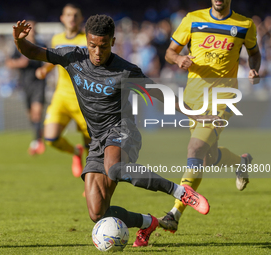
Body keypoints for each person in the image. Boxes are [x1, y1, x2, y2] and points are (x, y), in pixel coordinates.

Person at [12, 15, 219, 247]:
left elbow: (160, 92)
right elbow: (34, 52)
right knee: (97, 213)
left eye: (103, 45)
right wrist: (19, 41)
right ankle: (148, 222)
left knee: (115, 169)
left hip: (123, 130)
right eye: (92, 46)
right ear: (87, 41)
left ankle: (181, 192)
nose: (97, 52)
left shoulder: (126, 70)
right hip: (97, 139)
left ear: (113, 41)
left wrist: (195, 114)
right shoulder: (72, 57)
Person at [159, 0, 261, 233]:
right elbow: (169, 53)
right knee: (206, 157)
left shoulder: (245, 24)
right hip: (193, 98)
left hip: (223, 98)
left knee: (195, 149)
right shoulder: (192, 19)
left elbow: (254, 53)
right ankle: (240, 162)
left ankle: (174, 213)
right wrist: (179, 59)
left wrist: (254, 69)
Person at [35, 4, 90, 178]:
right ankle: (75, 151)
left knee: (92, 147)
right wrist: (45, 69)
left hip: (84, 99)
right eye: (68, 15)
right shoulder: (57, 39)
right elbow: (55, 58)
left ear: (81, 19)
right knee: (50, 138)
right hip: (62, 96)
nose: (72, 18)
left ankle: (91, 186)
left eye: (75, 15)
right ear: (62, 18)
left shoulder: (87, 40)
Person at [6, 20, 46, 155]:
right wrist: (20, 63)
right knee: (31, 115)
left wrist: (44, 70)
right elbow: (10, 63)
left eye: (34, 28)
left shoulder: (41, 45)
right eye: (30, 28)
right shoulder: (19, 45)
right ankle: (38, 133)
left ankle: (37, 141)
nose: (32, 30)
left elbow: (49, 60)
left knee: (37, 112)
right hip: (25, 83)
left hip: (39, 83)